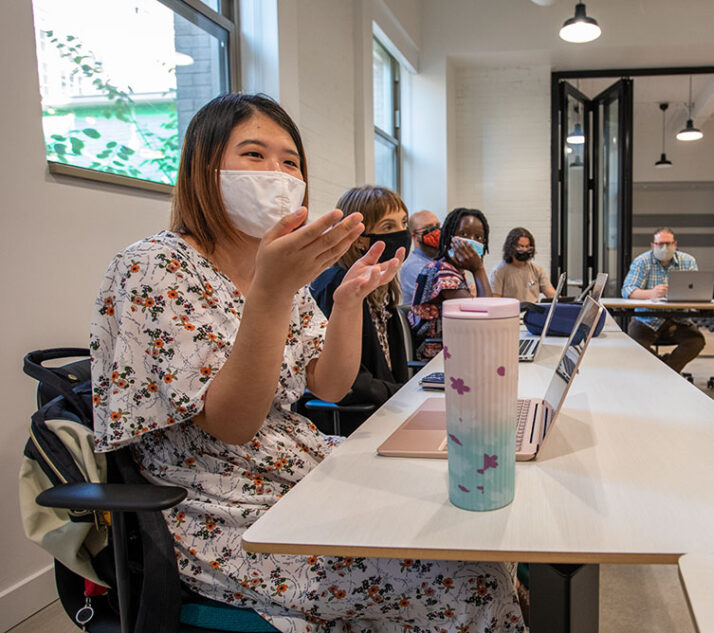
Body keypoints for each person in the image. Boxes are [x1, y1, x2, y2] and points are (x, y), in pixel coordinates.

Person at [89, 94, 523, 633]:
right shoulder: (154, 267)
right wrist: (271, 293)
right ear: (204, 167)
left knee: (474, 526)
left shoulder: (278, 269)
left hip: (300, 469)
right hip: (223, 507)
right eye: (254, 155)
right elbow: (232, 424)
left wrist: (347, 301)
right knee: (471, 581)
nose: (278, 173)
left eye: (290, 161)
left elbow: (329, 385)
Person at [309, 185, 411, 418]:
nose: (402, 232)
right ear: (360, 241)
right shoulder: (336, 284)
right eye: (388, 226)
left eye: (404, 223)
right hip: (354, 417)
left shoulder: (384, 286)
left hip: (387, 408)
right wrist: (404, 393)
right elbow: (352, 382)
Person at [409, 208, 492, 361]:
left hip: (458, 351)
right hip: (439, 359)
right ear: (448, 237)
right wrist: (478, 269)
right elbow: (484, 319)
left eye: (479, 237)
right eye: (465, 234)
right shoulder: (440, 271)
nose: (472, 241)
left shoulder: (453, 271)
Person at [620, 227, 705, 373]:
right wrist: (650, 293)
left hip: (679, 318)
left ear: (675, 244)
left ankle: (664, 370)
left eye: (668, 243)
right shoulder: (642, 261)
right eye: (660, 244)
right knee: (634, 343)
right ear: (653, 245)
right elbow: (627, 290)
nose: (664, 248)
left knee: (696, 342)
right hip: (647, 318)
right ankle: (667, 371)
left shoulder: (688, 261)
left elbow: (695, 289)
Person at [490, 227, 556, 302]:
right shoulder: (499, 271)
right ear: (511, 247)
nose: (524, 250)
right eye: (520, 246)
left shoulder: (537, 270)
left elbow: (551, 293)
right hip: (512, 312)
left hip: (533, 312)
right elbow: (495, 300)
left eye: (527, 246)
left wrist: (563, 302)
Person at [399, 210, 440, 305]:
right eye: (429, 228)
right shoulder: (412, 266)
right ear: (414, 236)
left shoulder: (439, 260)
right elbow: (445, 297)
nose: (436, 232)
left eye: (437, 226)